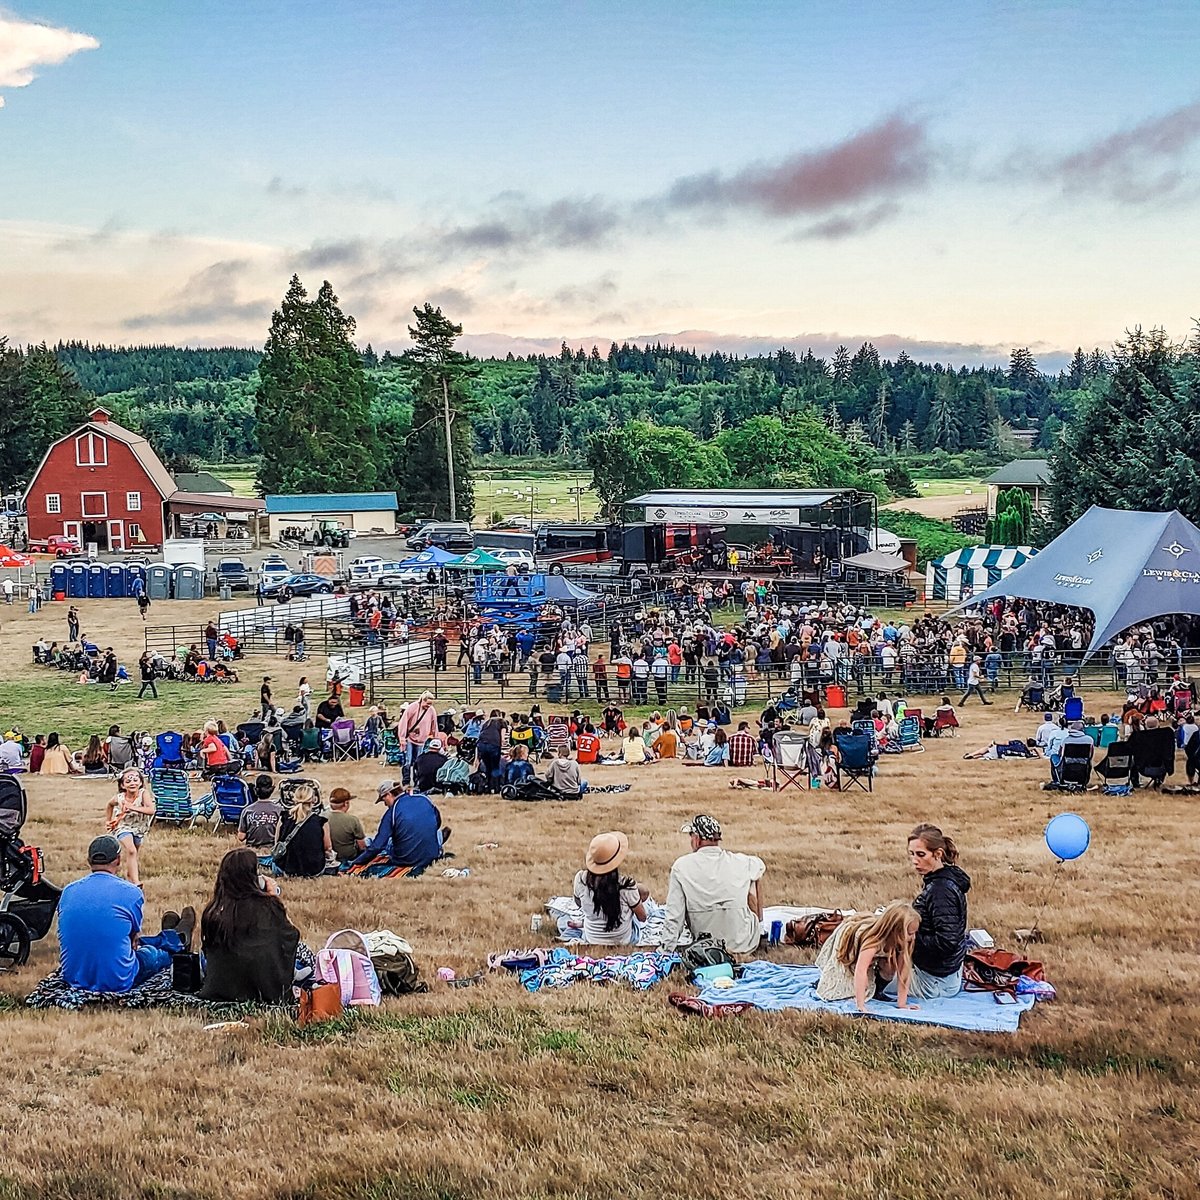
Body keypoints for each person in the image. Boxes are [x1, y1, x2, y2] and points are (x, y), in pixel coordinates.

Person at [57, 836, 193, 992]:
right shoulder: (131, 892)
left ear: (89, 860)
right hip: (118, 980)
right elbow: (133, 939)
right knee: (153, 954)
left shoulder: (68, 891)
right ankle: (178, 941)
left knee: (132, 941)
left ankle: (174, 936)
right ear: (118, 860)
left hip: (73, 976)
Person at [197, 847, 303, 1003]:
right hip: (266, 990)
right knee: (304, 952)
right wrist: (273, 897)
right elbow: (291, 937)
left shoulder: (213, 911)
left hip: (221, 990)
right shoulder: (269, 907)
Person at [660, 814, 765, 954]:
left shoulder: (681, 866)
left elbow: (674, 916)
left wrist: (666, 949)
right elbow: (760, 866)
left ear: (696, 840)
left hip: (707, 945)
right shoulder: (742, 862)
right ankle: (761, 929)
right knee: (753, 879)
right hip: (744, 943)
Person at [890, 823, 970, 1000]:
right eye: (911, 854)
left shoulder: (941, 891)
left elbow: (946, 941)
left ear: (938, 854)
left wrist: (908, 938)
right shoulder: (941, 879)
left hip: (935, 981)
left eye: (921, 854)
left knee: (864, 978)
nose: (914, 860)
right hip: (940, 973)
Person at [815, 902, 921, 1011]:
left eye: (914, 933)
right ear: (895, 930)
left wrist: (902, 1004)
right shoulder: (873, 941)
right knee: (842, 985)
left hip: (880, 945)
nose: (913, 937)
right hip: (848, 940)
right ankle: (822, 982)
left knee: (889, 965)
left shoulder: (905, 942)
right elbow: (861, 970)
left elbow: (903, 972)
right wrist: (861, 1005)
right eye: (910, 933)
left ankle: (877, 990)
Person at [348, 781, 450, 874]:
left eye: (383, 800)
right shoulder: (425, 799)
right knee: (430, 833)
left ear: (388, 795)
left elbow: (378, 846)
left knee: (386, 842)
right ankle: (439, 838)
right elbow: (437, 822)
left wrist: (358, 861)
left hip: (406, 859)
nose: (384, 804)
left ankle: (367, 842)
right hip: (431, 855)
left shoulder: (392, 812)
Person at [572, 831, 648, 946]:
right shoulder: (627, 887)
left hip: (591, 938)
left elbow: (578, 904)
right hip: (623, 940)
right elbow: (642, 917)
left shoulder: (580, 879)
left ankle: (582, 923)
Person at [105, 768, 156, 888]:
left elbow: (151, 810)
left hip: (139, 828)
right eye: (128, 781)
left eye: (135, 780)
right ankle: (136, 882)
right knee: (131, 850)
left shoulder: (143, 794)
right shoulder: (120, 798)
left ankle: (130, 876)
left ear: (140, 782)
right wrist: (108, 820)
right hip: (122, 827)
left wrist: (133, 808)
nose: (132, 783)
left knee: (134, 853)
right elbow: (109, 805)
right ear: (123, 785)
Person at [273, 781, 332, 878]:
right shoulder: (321, 821)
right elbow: (328, 848)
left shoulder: (284, 818)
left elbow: (277, 842)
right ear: (314, 799)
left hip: (286, 867)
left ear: (294, 799)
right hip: (314, 869)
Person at [396, 691, 438, 785]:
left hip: (422, 740)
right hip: (409, 738)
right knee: (408, 760)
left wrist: (436, 738)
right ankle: (406, 781)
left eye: (431, 704)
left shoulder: (431, 710)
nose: (429, 706)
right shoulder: (413, 707)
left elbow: (434, 725)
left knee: (418, 761)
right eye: (427, 703)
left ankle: (417, 781)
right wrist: (402, 737)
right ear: (423, 700)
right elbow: (403, 722)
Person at [237, 774, 283, 852]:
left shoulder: (247, 810)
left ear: (255, 790)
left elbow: (241, 837)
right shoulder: (279, 810)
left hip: (252, 850)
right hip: (272, 849)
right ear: (271, 790)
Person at [327, 787, 367, 863]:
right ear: (346, 803)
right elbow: (362, 846)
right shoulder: (352, 820)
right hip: (349, 856)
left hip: (329, 857)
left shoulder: (322, 818)